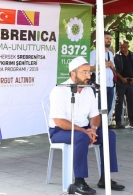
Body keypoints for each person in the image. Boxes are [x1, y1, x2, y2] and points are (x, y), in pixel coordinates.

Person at [49, 56, 125, 194]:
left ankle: (105, 178)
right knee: (81, 138)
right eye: (84, 72)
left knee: (109, 135)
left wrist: (93, 129)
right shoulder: (59, 90)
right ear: (73, 73)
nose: (88, 75)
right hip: (59, 131)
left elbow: (95, 115)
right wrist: (85, 132)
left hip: (84, 129)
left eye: (89, 72)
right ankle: (79, 182)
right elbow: (59, 121)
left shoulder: (89, 90)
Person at [114, 40, 133, 128]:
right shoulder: (117, 56)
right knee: (119, 102)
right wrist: (121, 78)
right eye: (121, 47)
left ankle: (132, 120)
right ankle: (118, 122)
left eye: (124, 47)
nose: (123, 49)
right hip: (121, 81)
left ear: (128, 47)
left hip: (131, 81)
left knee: (131, 101)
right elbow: (115, 70)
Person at [90, 31, 116, 113]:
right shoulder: (94, 53)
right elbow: (90, 68)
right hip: (100, 85)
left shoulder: (110, 54)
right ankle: (99, 126)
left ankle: (105, 125)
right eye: (107, 38)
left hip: (110, 85)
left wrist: (112, 67)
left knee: (108, 108)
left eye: (110, 39)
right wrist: (103, 65)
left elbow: (114, 70)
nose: (109, 40)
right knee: (100, 109)